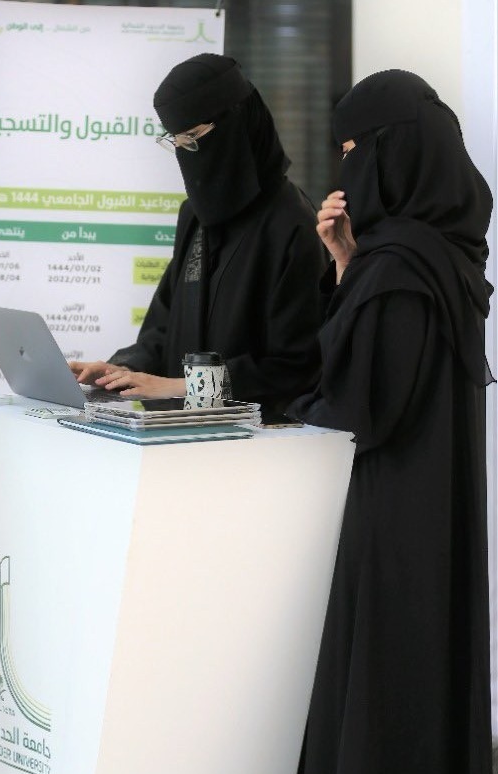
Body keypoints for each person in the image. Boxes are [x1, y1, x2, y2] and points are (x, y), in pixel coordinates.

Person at [288, 70, 494, 773]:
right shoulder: (449, 257)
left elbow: (353, 411)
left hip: (385, 522)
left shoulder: (396, 268)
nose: (344, 170)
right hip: (433, 512)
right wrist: (348, 262)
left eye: (352, 150)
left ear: (392, 153)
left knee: (380, 680)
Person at [69, 54, 327, 409]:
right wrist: (121, 369)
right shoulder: (195, 217)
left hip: (252, 446)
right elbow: (162, 329)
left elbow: (295, 366)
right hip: (180, 439)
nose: (186, 153)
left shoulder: (291, 223)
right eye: (175, 141)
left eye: (193, 138)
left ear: (236, 125)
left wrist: (184, 387)